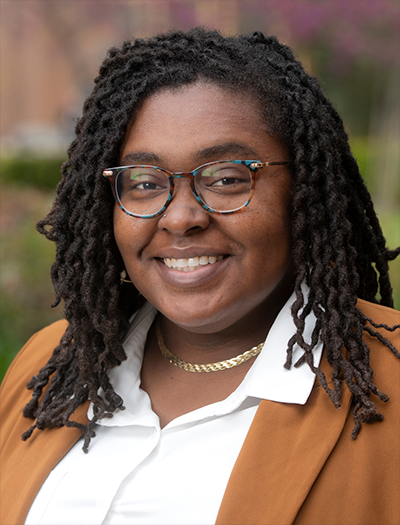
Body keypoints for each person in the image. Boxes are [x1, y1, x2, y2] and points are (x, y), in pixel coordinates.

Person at [0, 28, 399, 525]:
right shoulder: (52, 365)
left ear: (304, 192)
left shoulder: (390, 381)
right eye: (145, 183)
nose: (180, 217)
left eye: (228, 178)